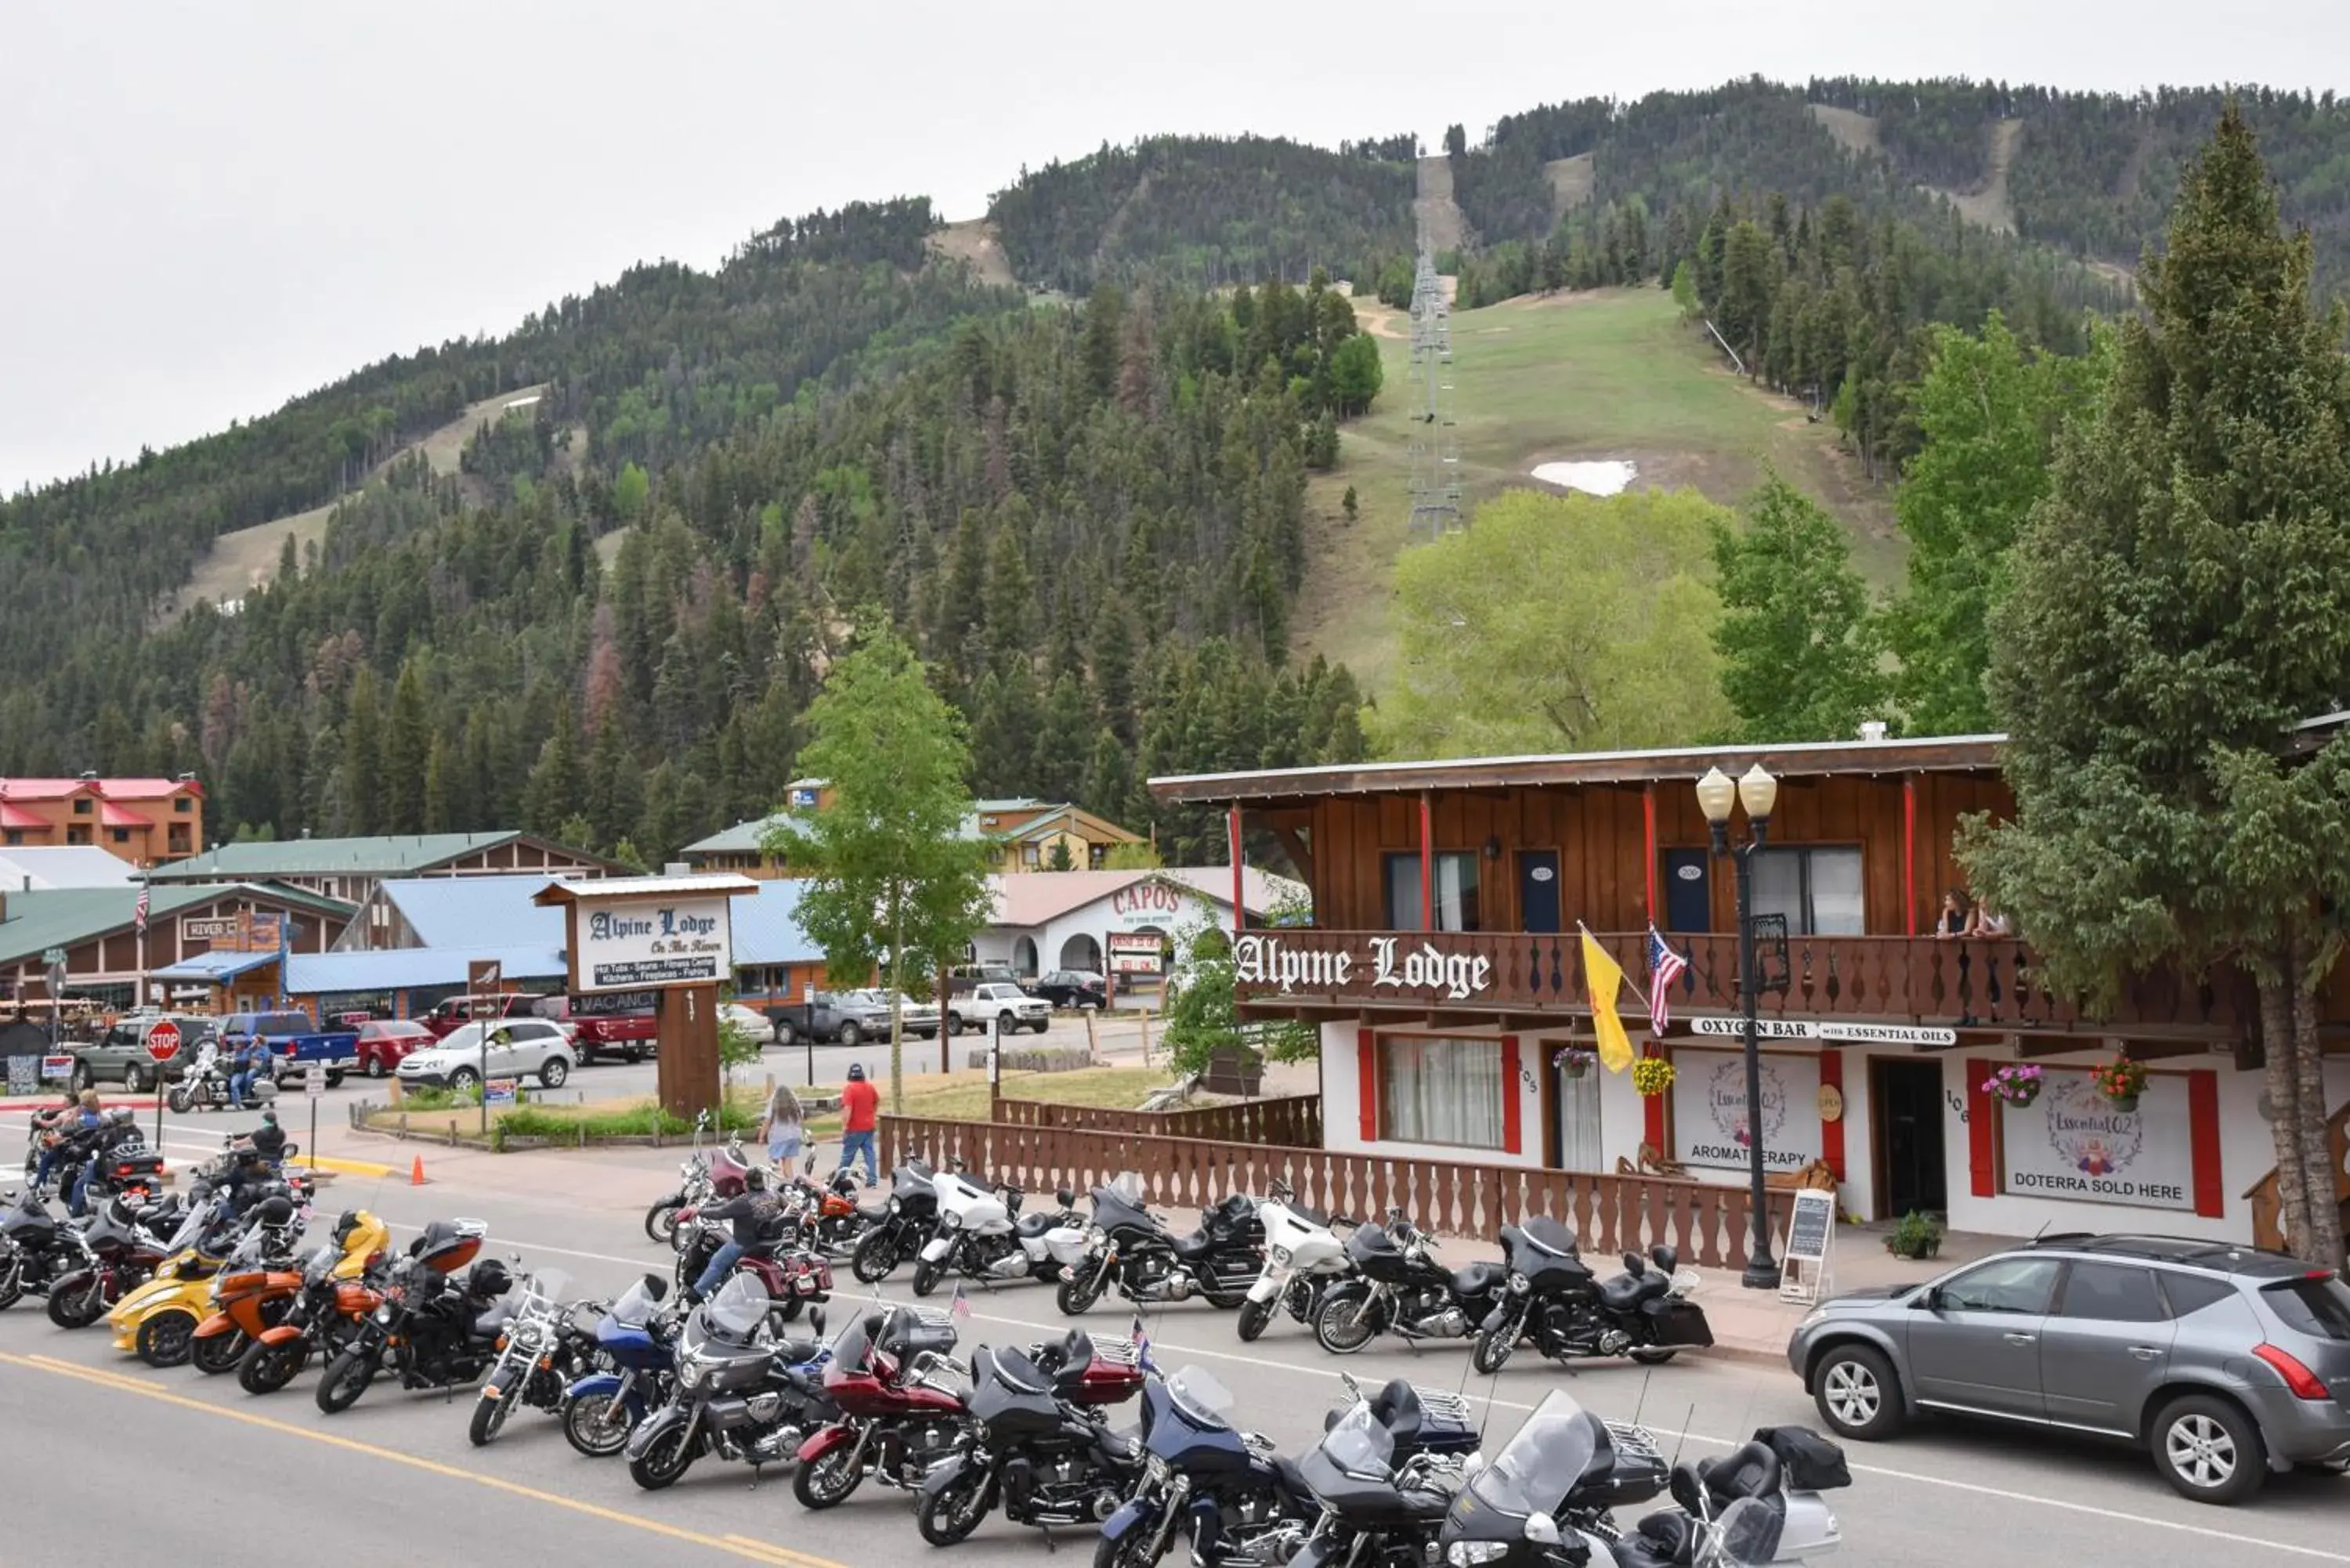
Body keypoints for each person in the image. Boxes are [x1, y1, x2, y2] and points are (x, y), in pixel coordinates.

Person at [684, 1166, 783, 1302]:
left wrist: (698, 1211)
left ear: (746, 1183)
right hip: (770, 1242)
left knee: (717, 1262)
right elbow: (789, 1207)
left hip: (745, 1244)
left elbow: (720, 1213)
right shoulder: (773, 1195)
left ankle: (697, 1293)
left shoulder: (744, 1202)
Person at [33, 1089, 101, 1196]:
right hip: (92, 1149)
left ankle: (38, 1188)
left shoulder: (77, 1117)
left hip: (75, 1148)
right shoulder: (100, 1117)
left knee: (46, 1160)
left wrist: (54, 1137)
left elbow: (65, 1131)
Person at [837, 1064, 880, 1186]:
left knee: (848, 1154)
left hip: (854, 1128)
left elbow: (848, 1109)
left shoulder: (849, 1089)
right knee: (869, 1153)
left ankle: (840, 1178)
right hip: (869, 1126)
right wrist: (872, 1113)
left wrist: (844, 1126)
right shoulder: (870, 1087)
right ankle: (872, 1180)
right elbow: (876, 1101)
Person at [761, 1082, 804, 1169]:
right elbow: (801, 1119)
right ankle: (789, 1181)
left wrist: (761, 1137)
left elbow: (767, 1122)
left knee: (777, 1156)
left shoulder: (774, 1105)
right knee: (787, 1163)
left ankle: (774, 1162)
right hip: (795, 1137)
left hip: (780, 1137)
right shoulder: (795, 1106)